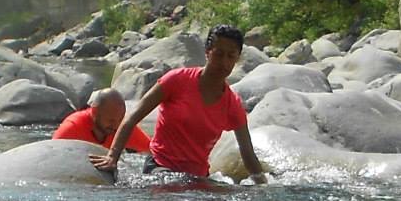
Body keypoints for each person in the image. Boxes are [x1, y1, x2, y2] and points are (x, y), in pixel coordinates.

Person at [91, 25, 267, 182]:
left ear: (237, 58)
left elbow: (247, 152)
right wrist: (112, 156)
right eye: (218, 54)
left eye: (231, 56)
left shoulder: (232, 104)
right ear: (207, 52)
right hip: (160, 168)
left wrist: (264, 188)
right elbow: (132, 118)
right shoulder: (176, 80)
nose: (224, 62)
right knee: (177, 188)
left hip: (197, 178)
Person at [53, 88, 151, 152]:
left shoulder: (121, 127)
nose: (116, 126)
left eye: (120, 120)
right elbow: (50, 154)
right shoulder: (72, 128)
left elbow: (153, 148)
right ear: (95, 112)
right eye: (111, 120)